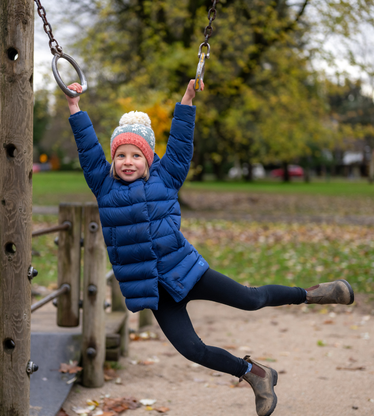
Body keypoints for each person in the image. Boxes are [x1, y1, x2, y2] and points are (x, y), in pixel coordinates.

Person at [65, 80, 354, 416]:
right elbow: (87, 149)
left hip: (189, 273)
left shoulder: (166, 178)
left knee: (250, 299)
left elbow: (181, 145)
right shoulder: (103, 186)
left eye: (135, 155)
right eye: (120, 155)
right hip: (157, 292)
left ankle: (314, 294)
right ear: (112, 160)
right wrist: (74, 108)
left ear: (148, 158)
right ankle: (256, 375)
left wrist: (187, 101)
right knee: (192, 349)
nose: (127, 162)